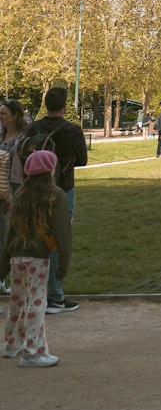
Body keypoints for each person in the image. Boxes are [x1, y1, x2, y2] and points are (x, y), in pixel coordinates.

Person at [1, 149, 71, 366]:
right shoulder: (55, 194)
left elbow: (9, 232)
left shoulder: (21, 194)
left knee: (18, 301)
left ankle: (12, 344)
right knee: (37, 301)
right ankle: (34, 351)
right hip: (39, 257)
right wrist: (63, 265)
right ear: (50, 170)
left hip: (17, 256)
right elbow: (62, 230)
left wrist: (2, 266)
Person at [23, 87, 87, 314]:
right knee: (58, 237)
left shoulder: (32, 127)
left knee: (36, 236)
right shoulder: (71, 130)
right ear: (64, 105)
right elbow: (83, 160)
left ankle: (32, 289)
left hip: (33, 189)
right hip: (62, 187)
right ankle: (55, 295)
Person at [0, 99, 29, 293]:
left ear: (15, 115)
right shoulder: (0, 135)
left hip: (16, 191)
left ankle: (17, 279)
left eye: (4, 114)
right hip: (0, 192)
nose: (0, 117)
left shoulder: (24, 138)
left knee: (14, 236)